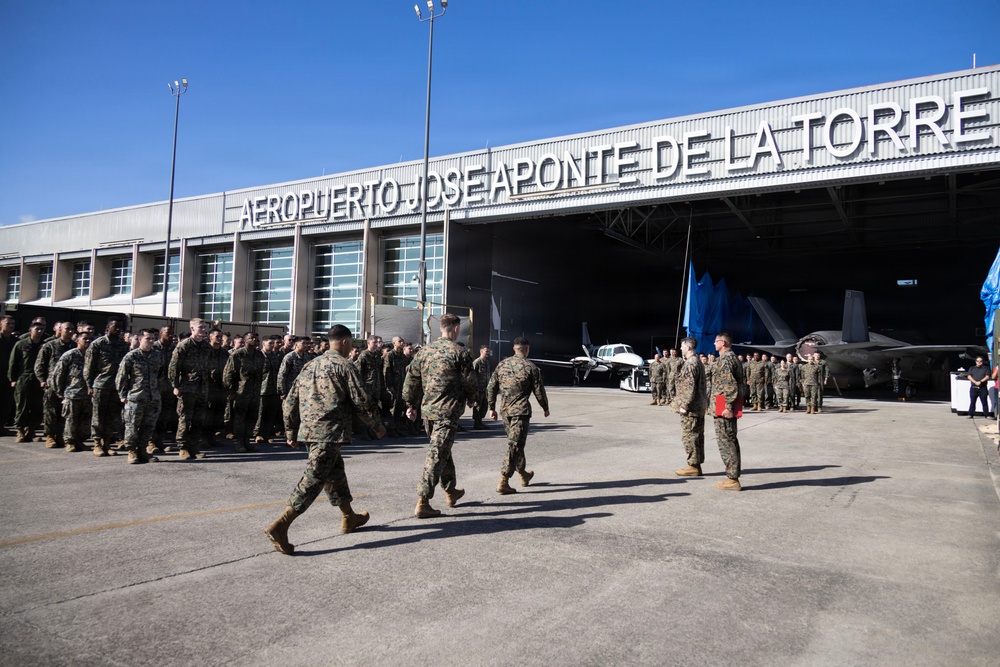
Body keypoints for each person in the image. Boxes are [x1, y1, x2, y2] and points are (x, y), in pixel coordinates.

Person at [264, 324, 385, 555]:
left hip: (310, 431)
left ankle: (349, 516)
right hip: (329, 432)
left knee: (335, 472)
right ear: (346, 342)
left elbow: (290, 401)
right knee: (314, 478)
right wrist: (377, 425)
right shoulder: (344, 366)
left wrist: (290, 431)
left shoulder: (309, 365)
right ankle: (281, 525)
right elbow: (362, 400)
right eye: (351, 343)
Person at [403, 313, 478, 518]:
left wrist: (410, 404)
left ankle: (451, 491)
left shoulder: (424, 352)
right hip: (448, 412)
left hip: (428, 413)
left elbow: (411, 380)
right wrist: (472, 399)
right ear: (456, 328)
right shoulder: (459, 352)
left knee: (443, 450)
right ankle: (423, 500)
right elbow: (470, 381)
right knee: (436, 454)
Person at [487, 337, 550, 494]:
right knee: (514, 445)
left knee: (516, 443)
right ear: (527, 349)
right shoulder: (530, 367)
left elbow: (491, 387)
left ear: (514, 349)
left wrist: (491, 407)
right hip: (520, 412)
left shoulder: (502, 365)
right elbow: (539, 390)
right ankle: (504, 480)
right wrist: (545, 407)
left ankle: (523, 474)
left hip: (505, 412)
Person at [116, 329, 163, 464]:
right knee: (132, 425)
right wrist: (122, 395)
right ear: (140, 339)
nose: (151, 341)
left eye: (153, 338)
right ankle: (132, 451)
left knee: (148, 426)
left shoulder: (157, 356)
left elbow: (160, 375)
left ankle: (143, 451)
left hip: (153, 398)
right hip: (135, 397)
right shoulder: (132, 356)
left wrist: (158, 392)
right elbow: (122, 376)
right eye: (148, 338)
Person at [84, 317, 129, 455]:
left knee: (112, 416)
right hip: (100, 385)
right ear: (108, 327)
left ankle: (107, 443)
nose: (118, 329)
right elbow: (89, 366)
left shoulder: (123, 345)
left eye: (120, 327)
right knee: (98, 415)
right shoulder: (97, 344)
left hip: (116, 386)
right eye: (115, 326)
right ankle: (97, 443)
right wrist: (89, 385)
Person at [168, 318, 210, 460]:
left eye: (204, 327)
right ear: (192, 328)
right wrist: (175, 385)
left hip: (202, 388)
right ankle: (183, 447)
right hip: (187, 388)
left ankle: (194, 447)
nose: (203, 330)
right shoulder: (184, 345)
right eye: (200, 327)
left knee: (199, 419)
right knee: (185, 418)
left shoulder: (206, 346)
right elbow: (174, 367)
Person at [711, 332, 744, 491]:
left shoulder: (726, 359)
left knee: (727, 441)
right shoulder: (729, 358)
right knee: (728, 439)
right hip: (721, 401)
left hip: (724, 403)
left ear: (723, 343)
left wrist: (728, 407)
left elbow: (730, 386)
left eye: (716, 341)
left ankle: (733, 479)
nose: (714, 344)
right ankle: (732, 476)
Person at [35, 322, 75, 448]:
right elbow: (39, 365)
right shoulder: (50, 345)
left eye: (72, 329)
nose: (70, 331)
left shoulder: (74, 346)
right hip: (52, 384)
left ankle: (60, 435)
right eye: (67, 329)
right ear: (60, 330)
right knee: (50, 411)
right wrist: (42, 380)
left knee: (65, 412)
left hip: (69, 385)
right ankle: (50, 436)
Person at [53, 331, 95, 453]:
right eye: (85, 339)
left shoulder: (93, 355)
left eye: (90, 339)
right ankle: (70, 442)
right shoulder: (70, 355)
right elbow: (58, 374)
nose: (88, 341)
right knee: (71, 419)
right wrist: (59, 391)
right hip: (72, 393)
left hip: (88, 395)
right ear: (77, 341)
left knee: (85, 419)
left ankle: (80, 441)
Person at [223, 331, 265, 453]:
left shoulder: (259, 355)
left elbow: (262, 373)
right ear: (245, 340)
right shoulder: (238, 355)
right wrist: (231, 391)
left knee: (252, 417)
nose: (254, 340)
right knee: (240, 418)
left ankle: (247, 441)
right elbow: (228, 374)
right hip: (241, 392)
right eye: (251, 338)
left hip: (255, 391)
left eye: (256, 339)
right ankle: (239, 442)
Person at [673, 337, 707, 477]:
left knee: (690, 436)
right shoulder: (697, 361)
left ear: (688, 347)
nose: (680, 348)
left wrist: (684, 405)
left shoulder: (690, 363)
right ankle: (696, 464)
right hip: (698, 406)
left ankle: (693, 466)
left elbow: (689, 386)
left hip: (691, 408)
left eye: (682, 346)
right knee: (697, 436)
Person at [9, 321, 46, 443]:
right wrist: (13, 379)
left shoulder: (45, 345)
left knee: (37, 406)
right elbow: (13, 363)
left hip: (39, 380)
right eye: (37, 329)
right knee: (22, 405)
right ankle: (20, 430)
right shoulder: (21, 344)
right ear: (30, 330)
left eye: (42, 329)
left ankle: (31, 431)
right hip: (24, 378)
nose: (39, 331)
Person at [0, 314, 16, 436]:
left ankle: (1, 426)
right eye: (8, 323)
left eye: (12, 324)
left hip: (9, 377)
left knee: (6, 402)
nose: (11, 326)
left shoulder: (15, 341)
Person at [471, 344, 495, 428]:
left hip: (485, 388)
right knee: (478, 405)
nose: (488, 353)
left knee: (484, 405)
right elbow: (472, 375)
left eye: (488, 351)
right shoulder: (477, 362)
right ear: (481, 351)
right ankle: (476, 423)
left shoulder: (487, 362)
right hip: (478, 388)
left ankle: (480, 421)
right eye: (486, 351)